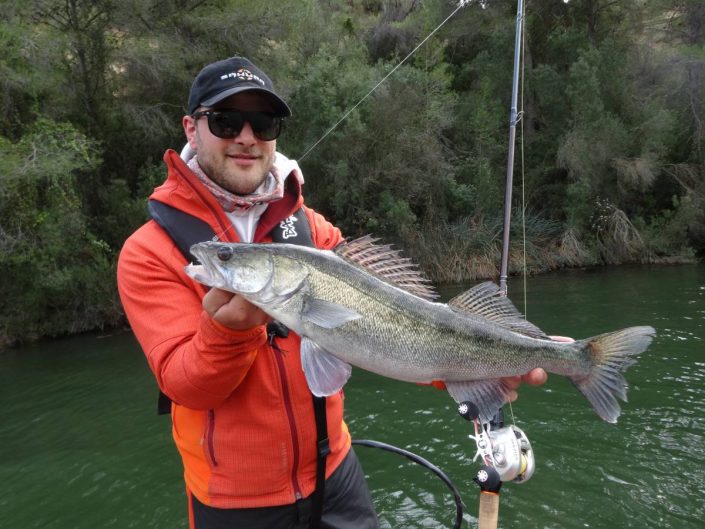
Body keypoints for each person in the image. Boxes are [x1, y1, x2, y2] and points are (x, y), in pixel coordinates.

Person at [117, 56, 547, 529]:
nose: (246, 137)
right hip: (234, 504)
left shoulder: (312, 229)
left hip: (335, 473)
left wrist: (481, 371)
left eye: (263, 122)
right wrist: (229, 332)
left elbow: (388, 328)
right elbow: (182, 385)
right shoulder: (150, 252)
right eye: (225, 121)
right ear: (192, 129)